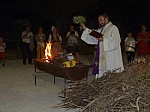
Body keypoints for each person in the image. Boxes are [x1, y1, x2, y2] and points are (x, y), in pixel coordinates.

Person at [80, 13, 124, 78]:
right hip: (103, 54)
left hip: (111, 56)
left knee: (110, 70)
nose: (100, 22)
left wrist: (103, 39)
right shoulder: (102, 29)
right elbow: (94, 34)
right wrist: (85, 28)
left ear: (106, 19)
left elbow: (115, 41)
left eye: (101, 20)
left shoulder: (113, 28)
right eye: (99, 21)